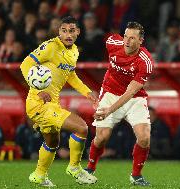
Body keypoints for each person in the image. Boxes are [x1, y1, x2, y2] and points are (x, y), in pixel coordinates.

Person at [20, 16, 98, 187]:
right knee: (81, 127)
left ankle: (39, 175)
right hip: (37, 103)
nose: (68, 34)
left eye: (71, 30)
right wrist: (40, 91)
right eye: (64, 30)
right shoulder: (50, 46)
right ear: (59, 31)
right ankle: (75, 168)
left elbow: (70, 74)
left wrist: (87, 92)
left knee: (52, 142)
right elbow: (25, 65)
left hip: (52, 104)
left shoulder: (74, 51)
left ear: (78, 32)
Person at [85, 22, 154, 186]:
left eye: (132, 38)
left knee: (144, 138)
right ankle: (89, 169)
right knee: (102, 137)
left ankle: (136, 176)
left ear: (141, 41)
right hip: (109, 92)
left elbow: (130, 93)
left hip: (134, 98)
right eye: (125, 36)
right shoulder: (112, 43)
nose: (127, 41)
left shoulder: (145, 61)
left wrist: (109, 111)